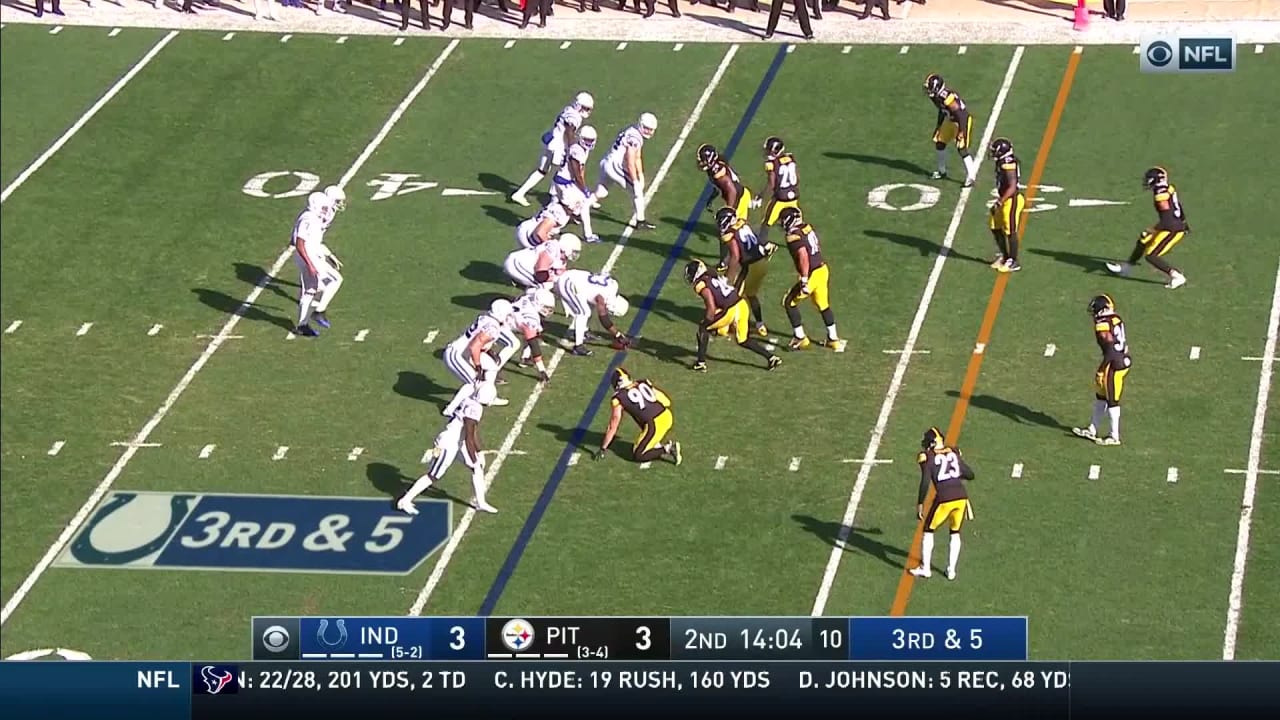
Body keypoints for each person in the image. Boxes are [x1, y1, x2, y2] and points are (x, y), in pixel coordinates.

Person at [396, 382, 500, 516]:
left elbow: (472, 433)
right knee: (433, 475)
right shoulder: (475, 409)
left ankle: (481, 502)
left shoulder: (469, 399)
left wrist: (479, 451)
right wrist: (475, 455)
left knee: (477, 468)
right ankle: (405, 501)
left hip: (457, 440)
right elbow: (469, 435)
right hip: (449, 443)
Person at [909, 427, 975, 581]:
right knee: (955, 532)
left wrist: (920, 503)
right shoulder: (953, 452)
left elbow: (925, 482)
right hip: (961, 497)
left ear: (932, 443)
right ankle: (951, 571)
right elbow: (970, 474)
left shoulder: (928, 457)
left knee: (928, 529)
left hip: (945, 498)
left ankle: (925, 568)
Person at [595, 368, 682, 466]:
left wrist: (603, 448)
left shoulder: (618, 398)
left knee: (639, 454)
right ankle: (654, 441)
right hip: (667, 415)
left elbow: (613, 425)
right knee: (640, 415)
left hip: (655, 424)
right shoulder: (642, 382)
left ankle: (668, 448)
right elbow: (666, 401)